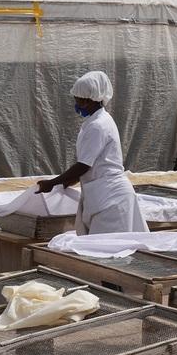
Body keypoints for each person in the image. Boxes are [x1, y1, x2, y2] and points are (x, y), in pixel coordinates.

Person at [37, 71, 148, 235]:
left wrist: (52, 183)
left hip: (111, 198)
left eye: (78, 101)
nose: (76, 105)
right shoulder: (96, 122)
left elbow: (83, 165)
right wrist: (64, 183)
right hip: (104, 195)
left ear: (88, 101)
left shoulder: (98, 125)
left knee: (109, 250)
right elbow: (89, 164)